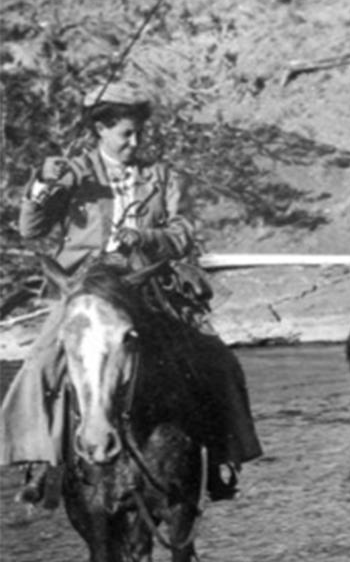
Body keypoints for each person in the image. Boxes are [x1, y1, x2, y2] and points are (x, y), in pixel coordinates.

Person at [1, 79, 262, 506]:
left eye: (139, 133)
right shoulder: (74, 173)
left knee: (217, 358)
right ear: (101, 130)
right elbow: (31, 229)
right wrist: (41, 186)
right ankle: (41, 463)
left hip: (150, 282)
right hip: (85, 285)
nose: (135, 142)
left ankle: (219, 458)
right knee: (40, 363)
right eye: (126, 134)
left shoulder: (163, 176)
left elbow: (184, 232)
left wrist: (144, 237)